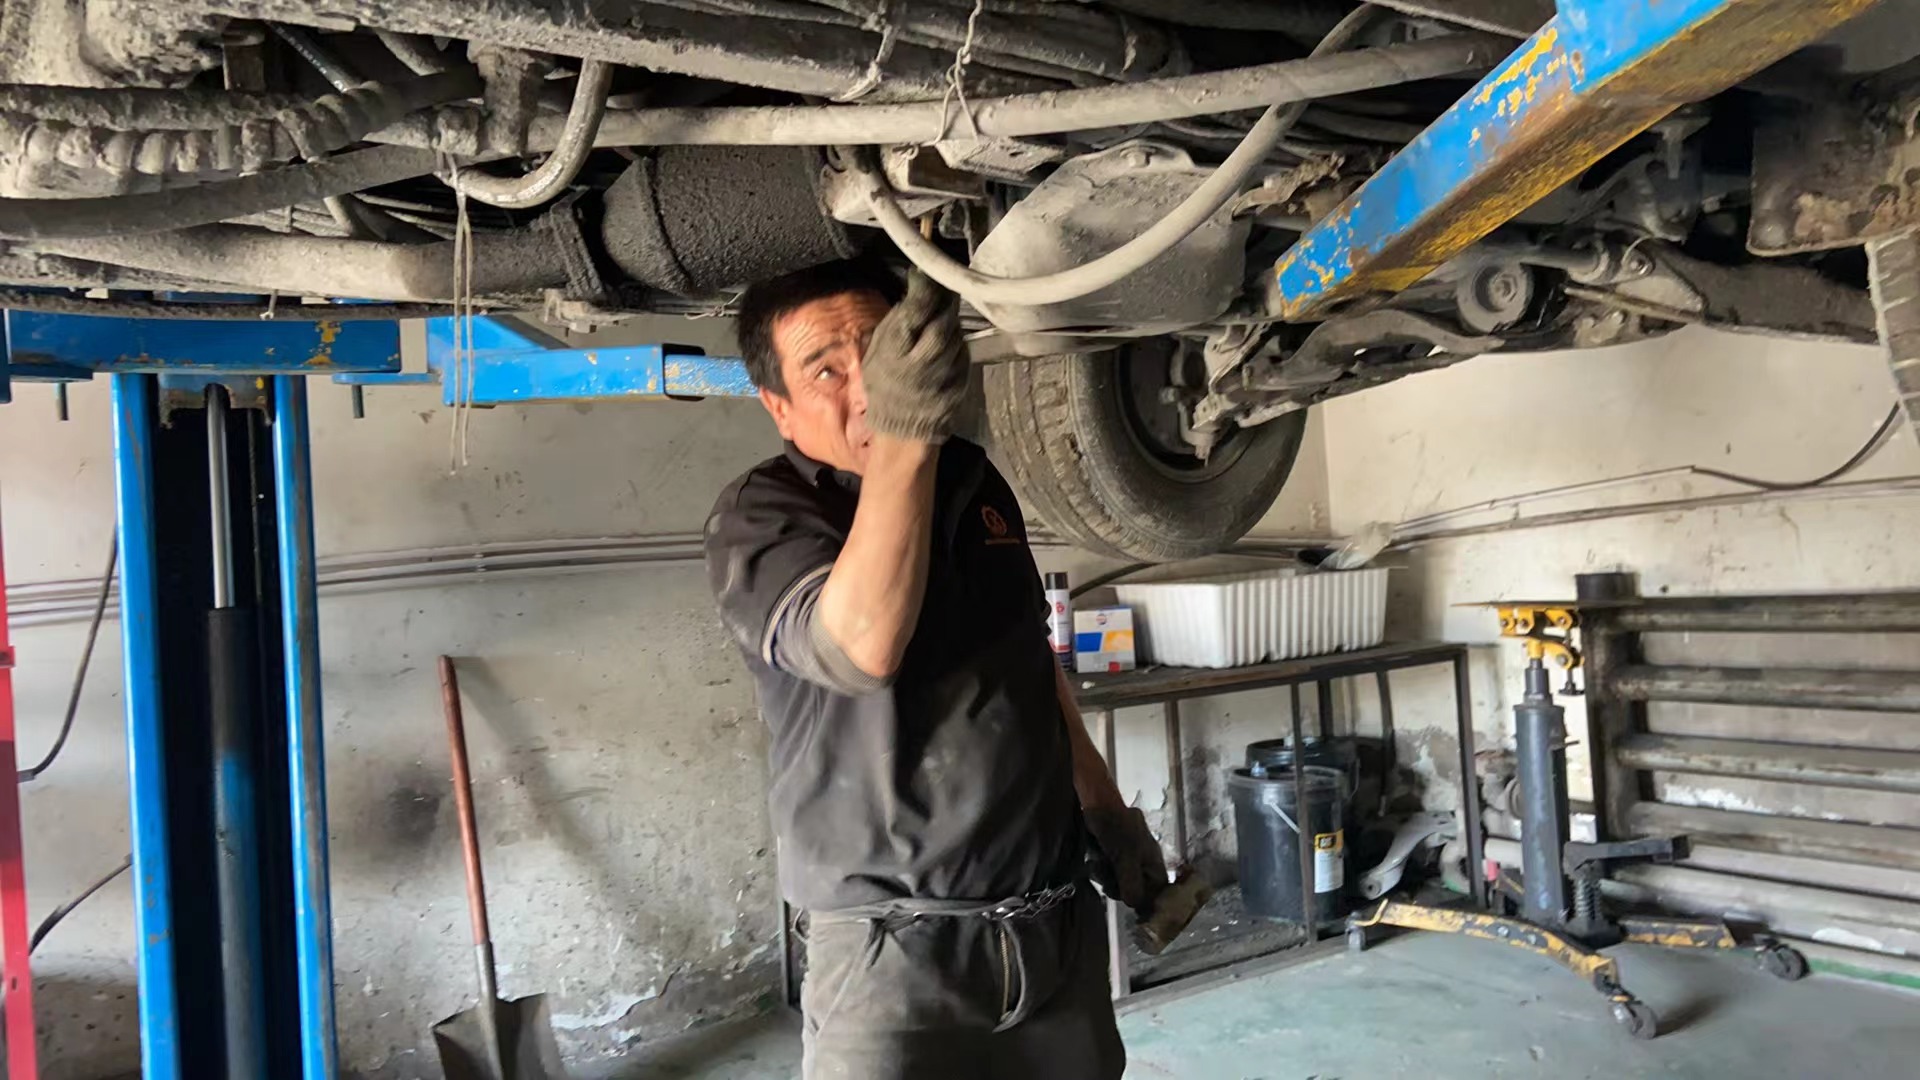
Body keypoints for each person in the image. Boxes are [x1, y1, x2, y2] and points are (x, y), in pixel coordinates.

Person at [702, 258, 1169, 1080]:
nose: (867, 389)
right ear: (779, 407)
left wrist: (1103, 808)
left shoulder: (973, 480)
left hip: (1053, 930)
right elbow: (861, 648)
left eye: (883, 354)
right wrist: (907, 434)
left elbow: (1029, 655)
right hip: (892, 958)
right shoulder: (765, 514)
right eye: (827, 371)